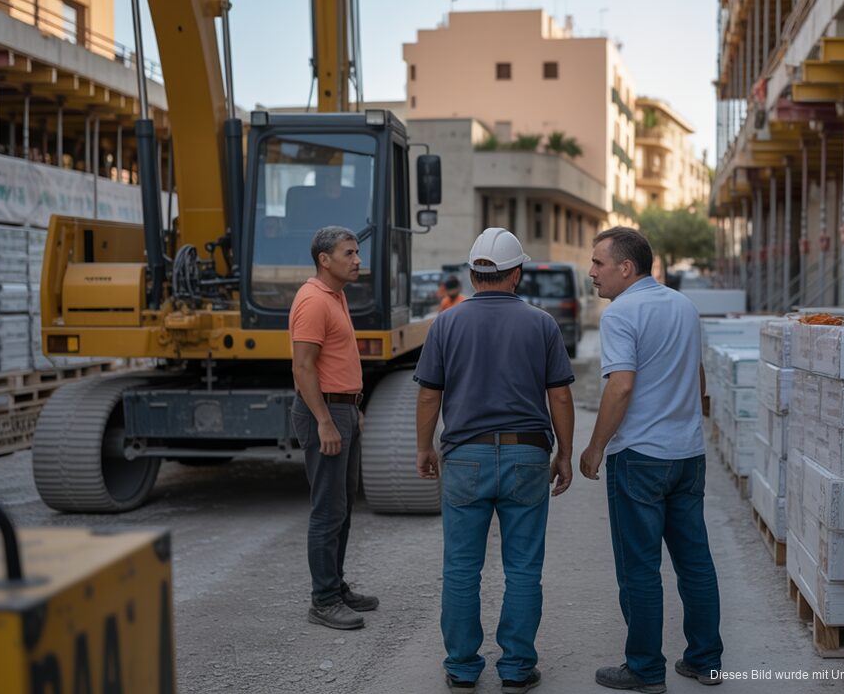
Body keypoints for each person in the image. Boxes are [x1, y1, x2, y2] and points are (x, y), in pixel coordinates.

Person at [414, 227, 576, 694]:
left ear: (471, 274)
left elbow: (430, 397)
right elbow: (560, 398)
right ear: (517, 274)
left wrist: (425, 447)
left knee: (462, 568)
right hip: (527, 454)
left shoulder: (446, 323)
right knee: (523, 567)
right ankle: (516, 668)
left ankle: (463, 668)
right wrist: (564, 453)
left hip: (466, 457)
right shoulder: (541, 323)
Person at [579, 227, 724, 693]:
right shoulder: (683, 306)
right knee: (695, 562)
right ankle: (705, 661)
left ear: (626, 268)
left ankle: (644, 669)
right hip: (687, 456)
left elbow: (620, 386)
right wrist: (688, 419)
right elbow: (698, 375)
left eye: (599, 264)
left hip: (639, 457)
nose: (592, 273)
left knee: (639, 568)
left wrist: (596, 445)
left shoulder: (621, 313)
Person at [289, 226, 380, 631]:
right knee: (327, 511)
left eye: (357, 252)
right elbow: (303, 367)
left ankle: (335, 586)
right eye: (349, 253)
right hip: (322, 411)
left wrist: (352, 407)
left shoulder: (336, 295)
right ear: (324, 260)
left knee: (341, 509)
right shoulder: (312, 301)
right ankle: (323, 600)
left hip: (342, 408)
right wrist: (326, 420)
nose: (358, 260)